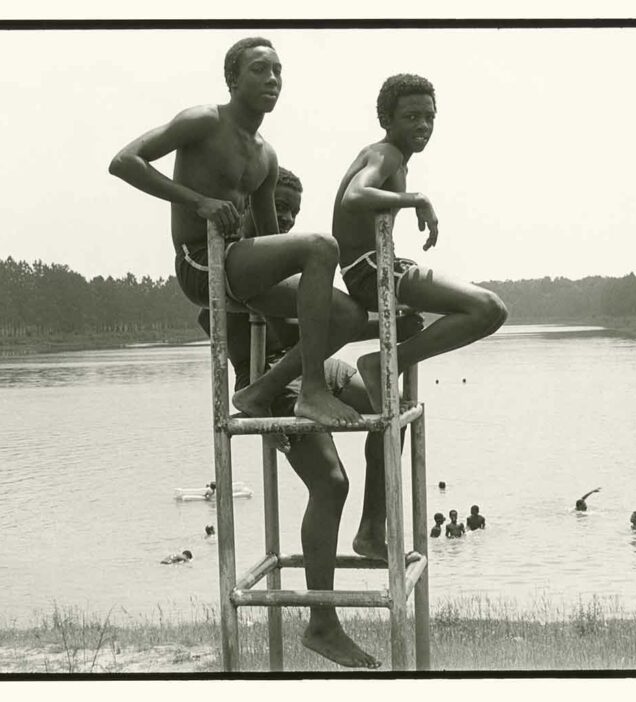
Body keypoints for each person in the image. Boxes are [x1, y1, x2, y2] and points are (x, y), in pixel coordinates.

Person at [193, 169, 421, 669]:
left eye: (295, 209)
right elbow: (238, 322)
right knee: (331, 484)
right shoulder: (236, 271)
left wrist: (390, 315)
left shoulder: (294, 269)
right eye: (280, 207)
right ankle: (322, 622)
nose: (289, 218)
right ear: (252, 205)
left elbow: (329, 322)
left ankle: (370, 530)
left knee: (394, 408)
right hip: (272, 383)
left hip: (324, 371)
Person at [109, 36, 363, 427]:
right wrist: (197, 201)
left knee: (347, 314)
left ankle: (258, 392)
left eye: (278, 71)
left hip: (241, 268)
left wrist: (308, 297)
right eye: (259, 70)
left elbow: (270, 235)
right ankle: (313, 391)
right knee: (321, 245)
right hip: (201, 263)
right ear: (232, 79)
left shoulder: (267, 155)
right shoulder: (204, 120)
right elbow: (124, 161)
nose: (272, 79)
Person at [331, 73, 508, 412]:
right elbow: (354, 196)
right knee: (489, 308)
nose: (423, 125)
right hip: (371, 271)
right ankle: (383, 363)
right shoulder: (386, 153)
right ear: (387, 120)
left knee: (483, 310)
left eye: (429, 117)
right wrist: (417, 199)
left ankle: (387, 366)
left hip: (378, 267)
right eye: (412, 117)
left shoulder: (392, 158)